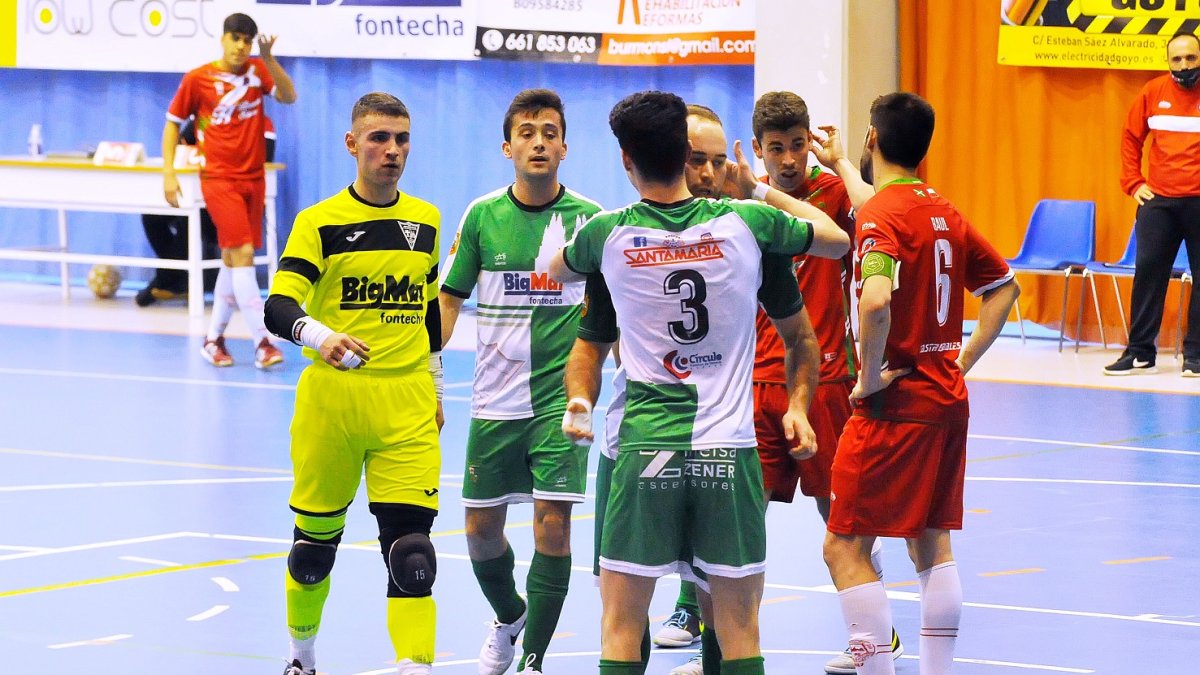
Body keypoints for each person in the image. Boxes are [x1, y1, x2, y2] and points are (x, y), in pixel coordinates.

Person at [552, 90, 850, 675]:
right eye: (702, 160)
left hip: (644, 449)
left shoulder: (607, 235)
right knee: (740, 630)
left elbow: (554, 268)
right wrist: (758, 190)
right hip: (727, 451)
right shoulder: (749, 225)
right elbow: (834, 242)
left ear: (626, 159)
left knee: (620, 627)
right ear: (684, 155)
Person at [821, 92, 1019, 675]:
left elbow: (876, 300)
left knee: (844, 547)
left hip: (895, 406)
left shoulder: (881, 216)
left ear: (873, 139)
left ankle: (875, 666)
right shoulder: (942, 211)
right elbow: (1004, 288)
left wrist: (868, 376)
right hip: (945, 398)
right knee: (932, 545)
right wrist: (961, 361)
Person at [263, 92, 444, 675]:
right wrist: (320, 336)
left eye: (402, 139)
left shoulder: (426, 221)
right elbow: (278, 305)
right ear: (352, 143)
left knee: (412, 552)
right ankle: (301, 656)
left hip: (407, 400)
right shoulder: (318, 222)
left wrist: (437, 386)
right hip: (333, 403)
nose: (392, 150)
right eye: (379, 138)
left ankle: (414, 665)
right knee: (313, 552)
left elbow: (428, 313)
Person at [438, 88, 603, 675]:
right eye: (527, 133)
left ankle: (533, 660)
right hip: (494, 403)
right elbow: (449, 301)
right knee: (480, 532)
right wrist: (429, 378)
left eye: (549, 133)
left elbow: (612, 310)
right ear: (507, 147)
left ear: (564, 147)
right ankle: (510, 616)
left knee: (553, 526)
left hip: (562, 404)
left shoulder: (590, 221)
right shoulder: (482, 216)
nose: (539, 142)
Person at [747, 91, 903, 674]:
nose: (788, 159)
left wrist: (838, 161)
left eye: (797, 145)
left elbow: (882, 212)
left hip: (828, 378)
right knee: (739, 519)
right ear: (759, 149)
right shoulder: (742, 203)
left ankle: (878, 633)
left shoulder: (834, 194)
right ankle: (723, 644)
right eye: (776, 149)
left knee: (839, 518)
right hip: (757, 381)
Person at [163, 12, 296, 368]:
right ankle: (263, 341)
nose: (240, 46)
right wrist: (169, 173)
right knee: (243, 255)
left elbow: (288, 96)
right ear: (222, 39)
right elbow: (173, 125)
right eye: (235, 38)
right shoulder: (198, 79)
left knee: (231, 259)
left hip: (253, 179)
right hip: (219, 179)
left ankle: (213, 339)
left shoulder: (257, 73)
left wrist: (268, 59)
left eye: (246, 40)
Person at [1106, 31, 1200, 377]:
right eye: (1177, 59)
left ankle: (1196, 356)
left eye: (1191, 58)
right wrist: (1133, 182)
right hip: (1159, 202)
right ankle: (1140, 353)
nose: (1184, 65)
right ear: (1168, 62)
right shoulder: (1152, 92)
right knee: (1148, 273)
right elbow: (1131, 137)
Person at [138, 118, 276, 306]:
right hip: (202, 193)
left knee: (193, 218)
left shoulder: (261, 123)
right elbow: (182, 149)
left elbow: (263, 163)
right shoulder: (203, 119)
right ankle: (175, 279)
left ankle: (167, 280)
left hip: (234, 200)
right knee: (152, 216)